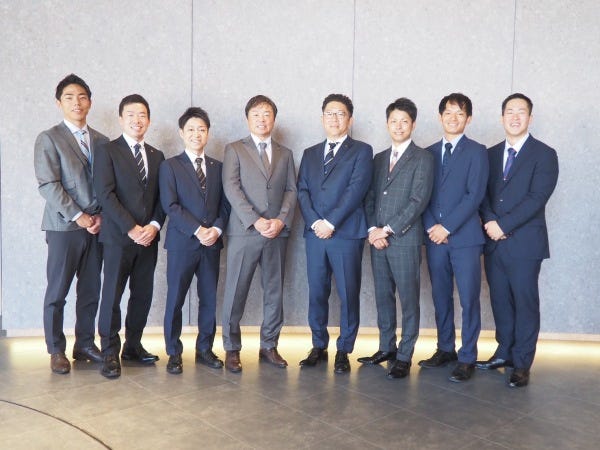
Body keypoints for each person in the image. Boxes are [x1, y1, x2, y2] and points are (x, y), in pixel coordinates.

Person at [477, 93, 559, 388]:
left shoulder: (544, 154)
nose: (514, 117)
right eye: (509, 112)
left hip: (525, 244)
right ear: (502, 118)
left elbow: (537, 198)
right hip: (494, 241)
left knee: (525, 302)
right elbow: (481, 194)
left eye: (521, 112)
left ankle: (522, 362)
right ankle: (504, 352)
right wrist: (490, 222)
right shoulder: (489, 154)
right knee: (500, 300)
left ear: (530, 118)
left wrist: (503, 225)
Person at [34, 74, 108, 374]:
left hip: (97, 227)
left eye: (82, 97)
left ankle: (85, 344)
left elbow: (108, 185)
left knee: (90, 290)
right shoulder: (49, 138)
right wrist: (80, 216)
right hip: (64, 227)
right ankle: (56, 349)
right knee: (58, 291)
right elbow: (48, 184)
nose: (76, 102)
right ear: (59, 103)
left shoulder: (102, 141)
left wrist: (101, 216)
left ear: (90, 102)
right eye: (69, 97)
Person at [297, 93, 373, 374]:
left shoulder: (362, 151)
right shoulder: (310, 153)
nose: (334, 118)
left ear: (349, 120)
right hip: (315, 234)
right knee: (317, 291)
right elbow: (302, 190)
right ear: (322, 118)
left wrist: (331, 222)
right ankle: (318, 345)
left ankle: (344, 349)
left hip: (345, 233)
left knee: (348, 293)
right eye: (330, 113)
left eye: (340, 114)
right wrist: (316, 222)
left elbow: (356, 190)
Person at [221, 95, 297, 373]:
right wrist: (255, 220)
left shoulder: (285, 153)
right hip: (245, 232)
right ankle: (232, 348)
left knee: (274, 291)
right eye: (256, 114)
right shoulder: (234, 149)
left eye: (267, 114)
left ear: (274, 119)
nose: (262, 119)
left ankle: (269, 345)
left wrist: (280, 220)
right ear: (247, 118)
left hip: (276, 232)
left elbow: (291, 189)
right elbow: (231, 188)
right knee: (236, 290)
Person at [360, 98, 434, 379]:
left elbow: (418, 201)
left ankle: (404, 355)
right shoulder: (378, 159)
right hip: (377, 240)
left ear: (413, 124)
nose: (399, 126)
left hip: (404, 239)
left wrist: (388, 229)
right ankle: (386, 347)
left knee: (409, 298)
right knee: (383, 296)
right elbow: (369, 198)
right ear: (387, 124)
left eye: (404, 121)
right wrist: (372, 230)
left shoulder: (423, 158)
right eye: (394, 121)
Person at [93, 94, 165, 379]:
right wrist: (132, 228)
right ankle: (110, 351)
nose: (137, 120)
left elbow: (161, 198)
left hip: (148, 239)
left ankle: (133, 346)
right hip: (118, 238)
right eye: (131, 115)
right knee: (112, 295)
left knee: (142, 294)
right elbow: (105, 194)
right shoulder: (107, 151)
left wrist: (154, 226)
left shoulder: (157, 156)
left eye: (142, 115)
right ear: (121, 119)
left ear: (149, 120)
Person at [420, 93, 489, 382]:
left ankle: (468, 355)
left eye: (460, 113)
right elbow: (421, 195)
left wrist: (446, 227)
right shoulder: (427, 153)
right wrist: (431, 228)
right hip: (434, 239)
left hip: (465, 239)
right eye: (448, 113)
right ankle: (445, 347)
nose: (453, 118)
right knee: (440, 295)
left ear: (468, 119)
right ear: (440, 117)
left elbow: (475, 195)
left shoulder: (477, 151)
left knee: (469, 299)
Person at [159, 107, 230, 375]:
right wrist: (198, 229)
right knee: (175, 299)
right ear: (181, 133)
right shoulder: (170, 166)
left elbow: (225, 205)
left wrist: (217, 229)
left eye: (201, 129)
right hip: (182, 243)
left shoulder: (218, 167)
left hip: (211, 244)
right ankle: (173, 352)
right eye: (191, 129)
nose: (196, 134)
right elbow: (170, 205)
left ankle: (205, 349)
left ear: (208, 133)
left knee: (209, 298)